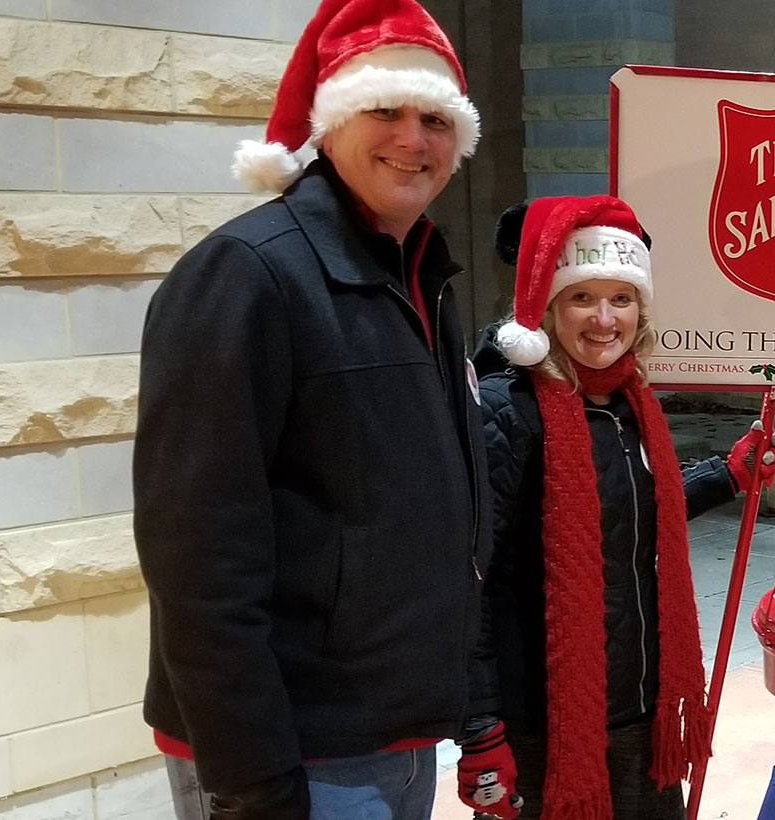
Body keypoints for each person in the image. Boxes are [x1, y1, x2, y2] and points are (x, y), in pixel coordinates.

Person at [132, 1, 489, 818]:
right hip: (297, 749)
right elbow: (197, 557)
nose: (413, 138)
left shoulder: (420, 276)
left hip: (393, 730)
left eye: (435, 119)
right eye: (383, 111)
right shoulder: (246, 276)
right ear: (329, 128)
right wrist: (252, 778)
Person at [461, 195, 775, 820]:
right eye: (582, 297)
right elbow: (462, 581)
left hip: (639, 704)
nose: (604, 319)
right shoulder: (506, 410)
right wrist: (479, 729)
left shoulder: (632, 404)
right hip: (543, 722)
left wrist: (727, 475)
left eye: (623, 298)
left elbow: (628, 509)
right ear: (548, 308)